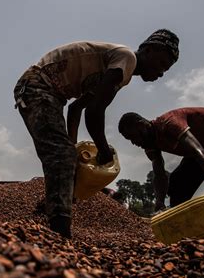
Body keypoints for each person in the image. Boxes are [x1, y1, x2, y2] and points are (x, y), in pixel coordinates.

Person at [14, 29, 179, 237]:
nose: (162, 72)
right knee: (60, 154)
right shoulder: (126, 58)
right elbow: (94, 112)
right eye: (163, 63)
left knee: (65, 155)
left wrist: (72, 151)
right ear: (149, 49)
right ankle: (59, 232)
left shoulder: (115, 71)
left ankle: (48, 211)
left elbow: (76, 109)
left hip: (48, 92)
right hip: (38, 85)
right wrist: (102, 149)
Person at [118, 107, 204, 229]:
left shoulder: (170, 123)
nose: (133, 143)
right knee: (177, 185)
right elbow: (159, 173)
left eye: (132, 137)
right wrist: (160, 202)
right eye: (129, 140)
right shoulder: (149, 144)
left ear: (141, 125)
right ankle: (186, 231)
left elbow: (200, 153)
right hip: (202, 148)